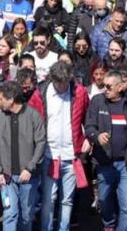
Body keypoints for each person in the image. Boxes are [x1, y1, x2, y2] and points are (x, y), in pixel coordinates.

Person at [85, 69, 127, 231]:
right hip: (104, 161)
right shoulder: (97, 101)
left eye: (109, 86)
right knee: (104, 199)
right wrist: (96, 136)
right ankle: (109, 224)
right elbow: (89, 126)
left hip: (126, 163)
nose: (106, 89)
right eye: (104, 86)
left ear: (120, 87)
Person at [39, 62, 90, 231]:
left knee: (67, 200)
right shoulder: (41, 92)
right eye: (59, 83)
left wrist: (89, 138)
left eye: (66, 82)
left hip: (71, 154)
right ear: (52, 79)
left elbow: (88, 119)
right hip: (49, 154)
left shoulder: (80, 92)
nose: (63, 86)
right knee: (49, 198)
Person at [0, 79, 46, 231]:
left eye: (1, 98)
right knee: (9, 214)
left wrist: (29, 168)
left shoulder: (33, 116)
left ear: (11, 99)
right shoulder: (1, 117)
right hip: (7, 177)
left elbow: (41, 143)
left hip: (28, 177)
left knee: (26, 215)